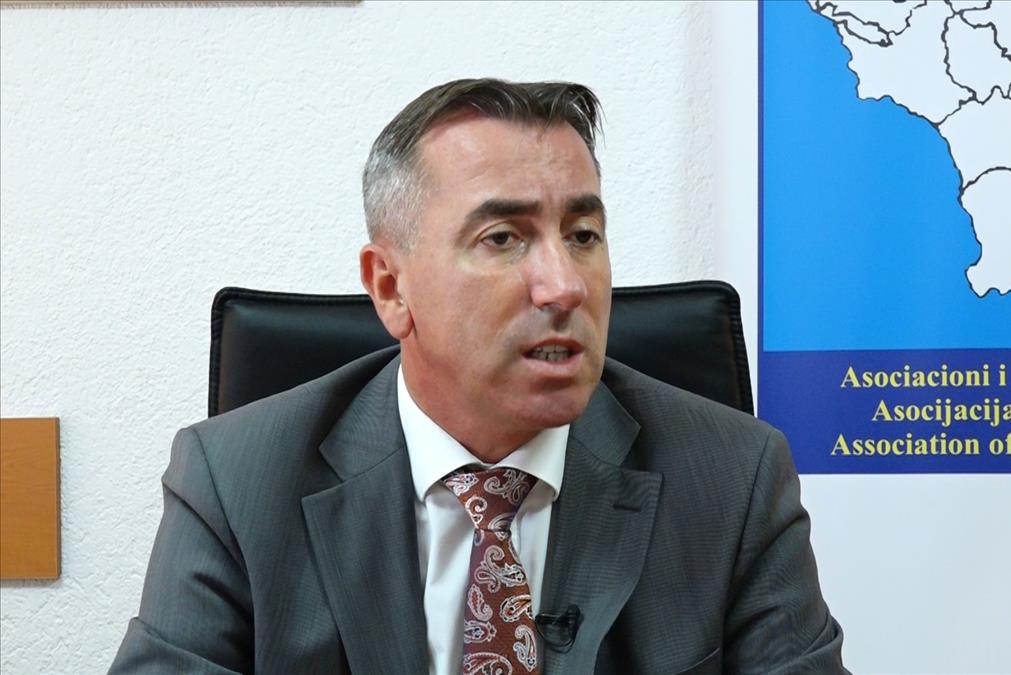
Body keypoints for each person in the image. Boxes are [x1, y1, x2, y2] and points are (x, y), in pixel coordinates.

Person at [110, 78, 846, 674]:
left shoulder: (733, 477)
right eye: (503, 238)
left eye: (583, 235)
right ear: (391, 288)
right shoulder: (236, 482)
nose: (564, 285)